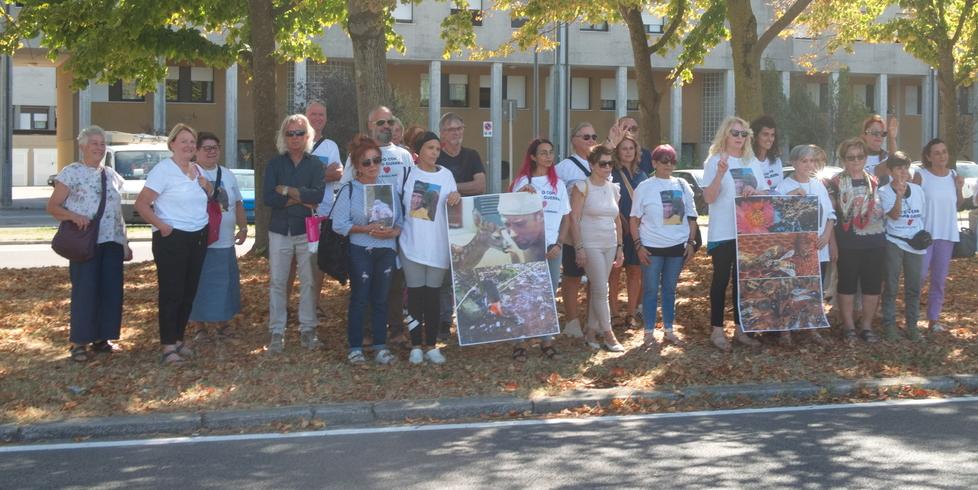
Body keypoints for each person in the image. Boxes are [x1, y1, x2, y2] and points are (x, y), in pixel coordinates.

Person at [47, 125, 133, 362]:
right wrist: (73, 216)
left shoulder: (112, 175)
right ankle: (79, 343)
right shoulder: (71, 172)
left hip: (112, 242)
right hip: (86, 242)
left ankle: (103, 339)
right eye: (94, 143)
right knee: (85, 292)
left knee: (111, 292)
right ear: (82, 146)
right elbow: (53, 207)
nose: (99, 147)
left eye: (102, 143)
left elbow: (117, 213)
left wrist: (125, 242)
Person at [134, 123, 211, 364]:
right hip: (172, 238)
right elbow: (142, 205)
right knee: (172, 293)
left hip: (197, 236)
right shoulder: (163, 170)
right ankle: (168, 346)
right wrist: (163, 226)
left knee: (189, 292)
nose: (189, 145)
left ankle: (179, 339)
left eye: (192, 141)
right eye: (183, 141)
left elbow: (208, 195)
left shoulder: (197, 169)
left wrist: (207, 187)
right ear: (172, 145)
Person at [332, 134, 402, 365]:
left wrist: (392, 232)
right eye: (367, 162)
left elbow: (400, 223)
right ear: (357, 167)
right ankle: (355, 347)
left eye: (377, 160)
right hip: (360, 250)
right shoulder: (349, 190)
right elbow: (338, 224)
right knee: (360, 298)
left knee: (381, 299)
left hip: (386, 251)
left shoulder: (389, 188)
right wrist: (365, 229)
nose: (373, 166)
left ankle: (381, 347)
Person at [702, 116, 768, 351]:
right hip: (723, 231)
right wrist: (720, 174)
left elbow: (765, 194)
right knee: (721, 280)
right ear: (725, 135)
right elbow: (708, 198)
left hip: (749, 233)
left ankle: (742, 330)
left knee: (744, 282)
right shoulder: (714, 160)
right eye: (735, 133)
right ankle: (717, 332)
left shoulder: (752, 161)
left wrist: (755, 190)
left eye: (743, 133)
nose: (739, 138)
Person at [263, 114, 326, 354]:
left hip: (307, 231)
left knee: (309, 281)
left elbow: (317, 196)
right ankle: (277, 331)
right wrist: (300, 198)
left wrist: (287, 191)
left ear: (308, 136)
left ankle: (308, 329)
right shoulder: (275, 164)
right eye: (290, 133)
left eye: (300, 133)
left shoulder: (315, 164)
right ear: (283, 136)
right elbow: (269, 198)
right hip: (280, 230)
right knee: (278, 282)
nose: (295, 138)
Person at [400, 131, 461, 364]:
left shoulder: (447, 176)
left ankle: (432, 346)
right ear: (419, 152)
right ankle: (416, 345)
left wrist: (456, 196)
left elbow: (453, 207)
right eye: (430, 148)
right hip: (412, 245)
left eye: (437, 148)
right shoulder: (408, 175)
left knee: (433, 296)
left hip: (438, 247)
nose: (435, 153)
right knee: (415, 296)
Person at [629, 144, 697, 350]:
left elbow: (692, 217)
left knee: (669, 290)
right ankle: (648, 332)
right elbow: (633, 219)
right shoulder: (645, 187)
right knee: (650, 290)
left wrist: (691, 243)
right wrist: (638, 246)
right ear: (654, 163)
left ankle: (669, 330)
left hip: (677, 248)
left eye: (672, 161)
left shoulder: (682, 184)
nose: (668, 165)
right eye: (664, 161)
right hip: (651, 248)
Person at [509, 138, 569, 360]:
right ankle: (520, 343)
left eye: (551, 152)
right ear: (533, 156)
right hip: (529, 250)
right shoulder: (523, 182)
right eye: (543, 153)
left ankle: (546, 341)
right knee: (524, 295)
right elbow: (512, 215)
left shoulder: (558, 184)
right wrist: (520, 196)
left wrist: (559, 243)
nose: (548, 157)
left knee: (548, 296)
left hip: (553, 249)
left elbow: (566, 218)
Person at [188, 133, 248, 341]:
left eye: (215, 147)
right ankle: (199, 327)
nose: (212, 151)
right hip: (199, 240)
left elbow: (237, 203)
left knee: (225, 282)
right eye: (206, 148)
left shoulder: (228, 174)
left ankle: (223, 324)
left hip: (224, 241)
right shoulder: (191, 173)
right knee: (199, 283)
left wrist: (243, 227)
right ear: (196, 151)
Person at [827, 138, 886, 344]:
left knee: (872, 286)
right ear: (843, 159)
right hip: (847, 242)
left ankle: (867, 326)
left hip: (875, 241)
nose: (856, 161)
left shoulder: (875, 181)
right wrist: (832, 243)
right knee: (847, 285)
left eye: (860, 156)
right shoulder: (834, 183)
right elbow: (830, 216)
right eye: (851, 157)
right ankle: (849, 327)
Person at [777, 144, 837, 346]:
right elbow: (776, 218)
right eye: (804, 161)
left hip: (818, 247)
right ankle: (786, 330)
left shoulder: (818, 185)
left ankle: (812, 327)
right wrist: (789, 198)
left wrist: (827, 235)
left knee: (814, 288)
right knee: (791, 287)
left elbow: (830, 214)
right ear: (794, 163)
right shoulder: (783, 186)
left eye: (812, 161)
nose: (808, 165)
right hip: (795, 249)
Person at [569, 145, 625, 352]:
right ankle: (608, 334)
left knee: (599, 288)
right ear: (592, 165)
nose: (608, 167)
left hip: (609, 243)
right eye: (603, 164)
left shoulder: (613, 188)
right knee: (602, 289)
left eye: (611, 163)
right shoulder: (582, 187)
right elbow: (574, 218)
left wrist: (620, 247)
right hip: (590, 243)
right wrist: (579, 247)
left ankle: (591, 331)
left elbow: (617, 219)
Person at [436, 113, 487, 339]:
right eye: (451, 129)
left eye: (459, 128)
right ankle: (444, 321)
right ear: (442, 134)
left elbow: (480, 186)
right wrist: (452, 190)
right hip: (440, 223)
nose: (456, 132)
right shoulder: (436, 157)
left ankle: (471, 321)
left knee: (468, 270)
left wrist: (453, 188)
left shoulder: (472, 155)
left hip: (468, 224)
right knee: (445, 274)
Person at [554, 122, 601, 338]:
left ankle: (594, 319)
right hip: (574, 230)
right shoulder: (564, 167)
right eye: (586, 137)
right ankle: (572, 321)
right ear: (574, 140)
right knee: (572, 275)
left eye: (594, 136)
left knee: (596, 277)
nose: (591, 140)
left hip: (598, 229)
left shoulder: (602, 163)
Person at [913, 138, 965, 333]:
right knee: (918, 277)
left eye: (944, 152)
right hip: (925, 236)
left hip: (946, 234)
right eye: (937, 152)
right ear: (928, 156)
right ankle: (912, 319)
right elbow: (912, 201)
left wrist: (959, 187)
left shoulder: (953, 175)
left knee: (939, 280)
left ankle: (933, 320)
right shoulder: (921, 176)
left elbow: (958, 204)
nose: (942, 156)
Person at [878, 152, 926, 341]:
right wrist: (898, 195)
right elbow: (895, 215)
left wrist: (923, 236)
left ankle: (912, 326)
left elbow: (922, 216)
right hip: (894, 242)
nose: (903, 172)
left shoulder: (918, 190)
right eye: (898, 168)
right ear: (890, 171)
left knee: (914, 287)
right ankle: (889, 326)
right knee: (891, 285)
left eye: (906, 168)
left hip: (915, 243)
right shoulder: (884, 191)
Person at [305, 100, 343, 313]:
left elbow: (338, 173)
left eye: (321, 114)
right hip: (298, 211)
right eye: (313, 114)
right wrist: (323, 173)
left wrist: (309, 176)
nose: (317, 118)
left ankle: (314, 304)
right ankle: (287, 306)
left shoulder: (331, 146)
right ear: (305, 116)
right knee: (295, 260)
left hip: (322, 213)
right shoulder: (296, 141)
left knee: (317, 261)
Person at [609, 134, 648, 328]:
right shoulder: (611, 173)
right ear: (617, 151)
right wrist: (620, 220)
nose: (628, 152)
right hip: (617, 228)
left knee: (635, 272)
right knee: (614, 272)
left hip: (637, 230)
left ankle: (631, 313)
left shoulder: (642, 175)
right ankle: (614, 313)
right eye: (624, 148)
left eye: (631, 148)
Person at [751, 115, 783, 189]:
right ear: (755, 136)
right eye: (765, 134)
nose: (770, 139)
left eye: (772, 135)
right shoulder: (747, 161)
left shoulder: (776, 160)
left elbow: (780, 189)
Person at [861, 115, 895, 183]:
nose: (879, 136)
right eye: (874, 132)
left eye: (882, 133)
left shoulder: (886, 156)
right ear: (864, 135)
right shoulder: (857, 158)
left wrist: (892, 138)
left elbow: (894, 160)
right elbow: (888, 163)